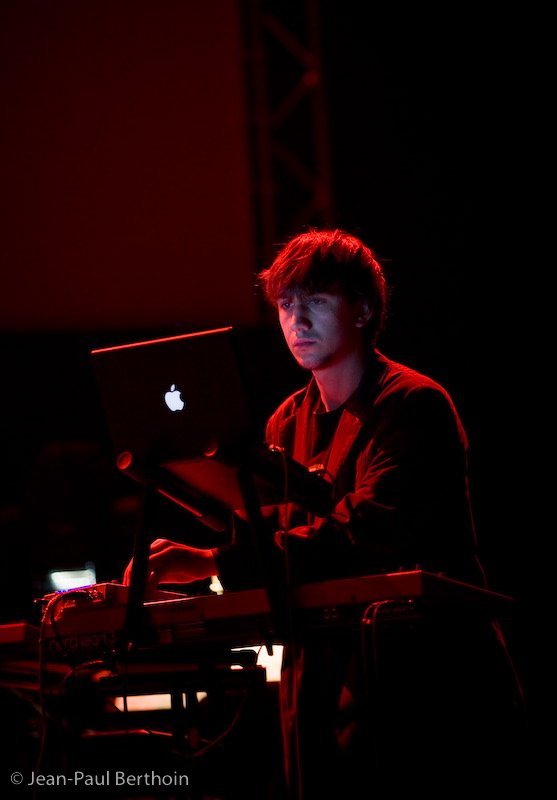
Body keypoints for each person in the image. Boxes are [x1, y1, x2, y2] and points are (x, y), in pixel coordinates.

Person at [124, 229, 526, 798]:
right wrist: (212, 546)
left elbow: (363, 533)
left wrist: (214, 563)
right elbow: (271, 534)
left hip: (423, 682)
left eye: (316, 300)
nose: (298, 320)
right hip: (320, 680)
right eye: (287, 304)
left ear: (362, 310)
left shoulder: (414, 404)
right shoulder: (285, 422)